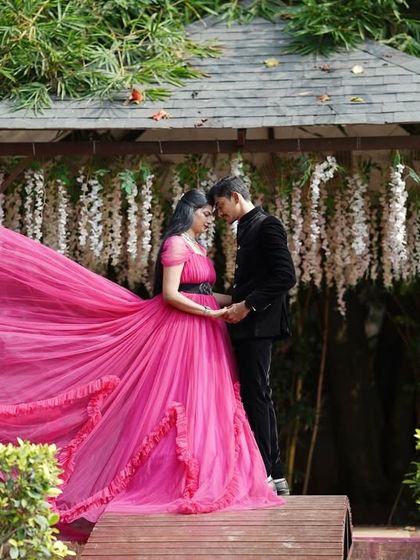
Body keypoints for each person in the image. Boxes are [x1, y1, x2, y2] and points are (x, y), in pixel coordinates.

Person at [0, 189, 283, 527]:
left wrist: (242, 302)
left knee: (210, 401)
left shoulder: (198, 247)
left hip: (207, 332)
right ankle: (166, 479)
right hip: (183, 329)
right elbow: (171, 294)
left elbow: (205, 293)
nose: (210, 219)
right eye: (206, 213)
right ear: (189, 212)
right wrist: (210, 314)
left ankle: (210, 473)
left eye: (212, 212)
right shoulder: (175, 244)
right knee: (175, 401)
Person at [207, 176, 296, 496]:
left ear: (235, 197)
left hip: (258, 324)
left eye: (220, 206)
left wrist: (247, 306)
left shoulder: (266, 225)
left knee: (258, 395)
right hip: (247, 323)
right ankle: (271, 472)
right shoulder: (247, 227)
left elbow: (286, 276)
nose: (219, 214)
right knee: (254, 395)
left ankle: (271, 473)